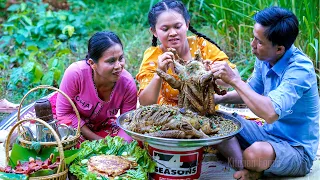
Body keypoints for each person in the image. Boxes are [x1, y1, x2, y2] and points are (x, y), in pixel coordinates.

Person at [211, 6, 319, 179]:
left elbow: (270, 113)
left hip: (296, 150)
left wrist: (235, 80)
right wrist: (216, 99)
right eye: (254, 38)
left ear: (279, 49)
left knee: (255, 154)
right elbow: (250, 92)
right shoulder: (265, 58)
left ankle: (251, 164)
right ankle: (249, 168)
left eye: (259, 42)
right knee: (213, 121)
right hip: (267, 133)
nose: (253, 45)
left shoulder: (300, 70)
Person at [136, 0, 239, 106]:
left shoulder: (201, 46)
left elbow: (234, 78)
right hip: (169, 116)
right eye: (165, 29)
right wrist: (159, 74)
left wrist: (213, 72)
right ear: (154, 31)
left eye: (177, 26)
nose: (173, 33)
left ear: (187, 25)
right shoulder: (154, 56)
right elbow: (145, 103)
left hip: (205, 113)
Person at [56, 31, 137, 141]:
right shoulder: (76, 73)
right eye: (111, 61)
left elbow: (128, 124)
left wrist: (118, 149)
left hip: (102, 124)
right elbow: (64, 113)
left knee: (136, 143)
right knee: (65, 142)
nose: (119, 66)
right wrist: (98, 141)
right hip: (71, 123)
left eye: (121, 58)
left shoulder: (127, 84)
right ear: (92, 63)